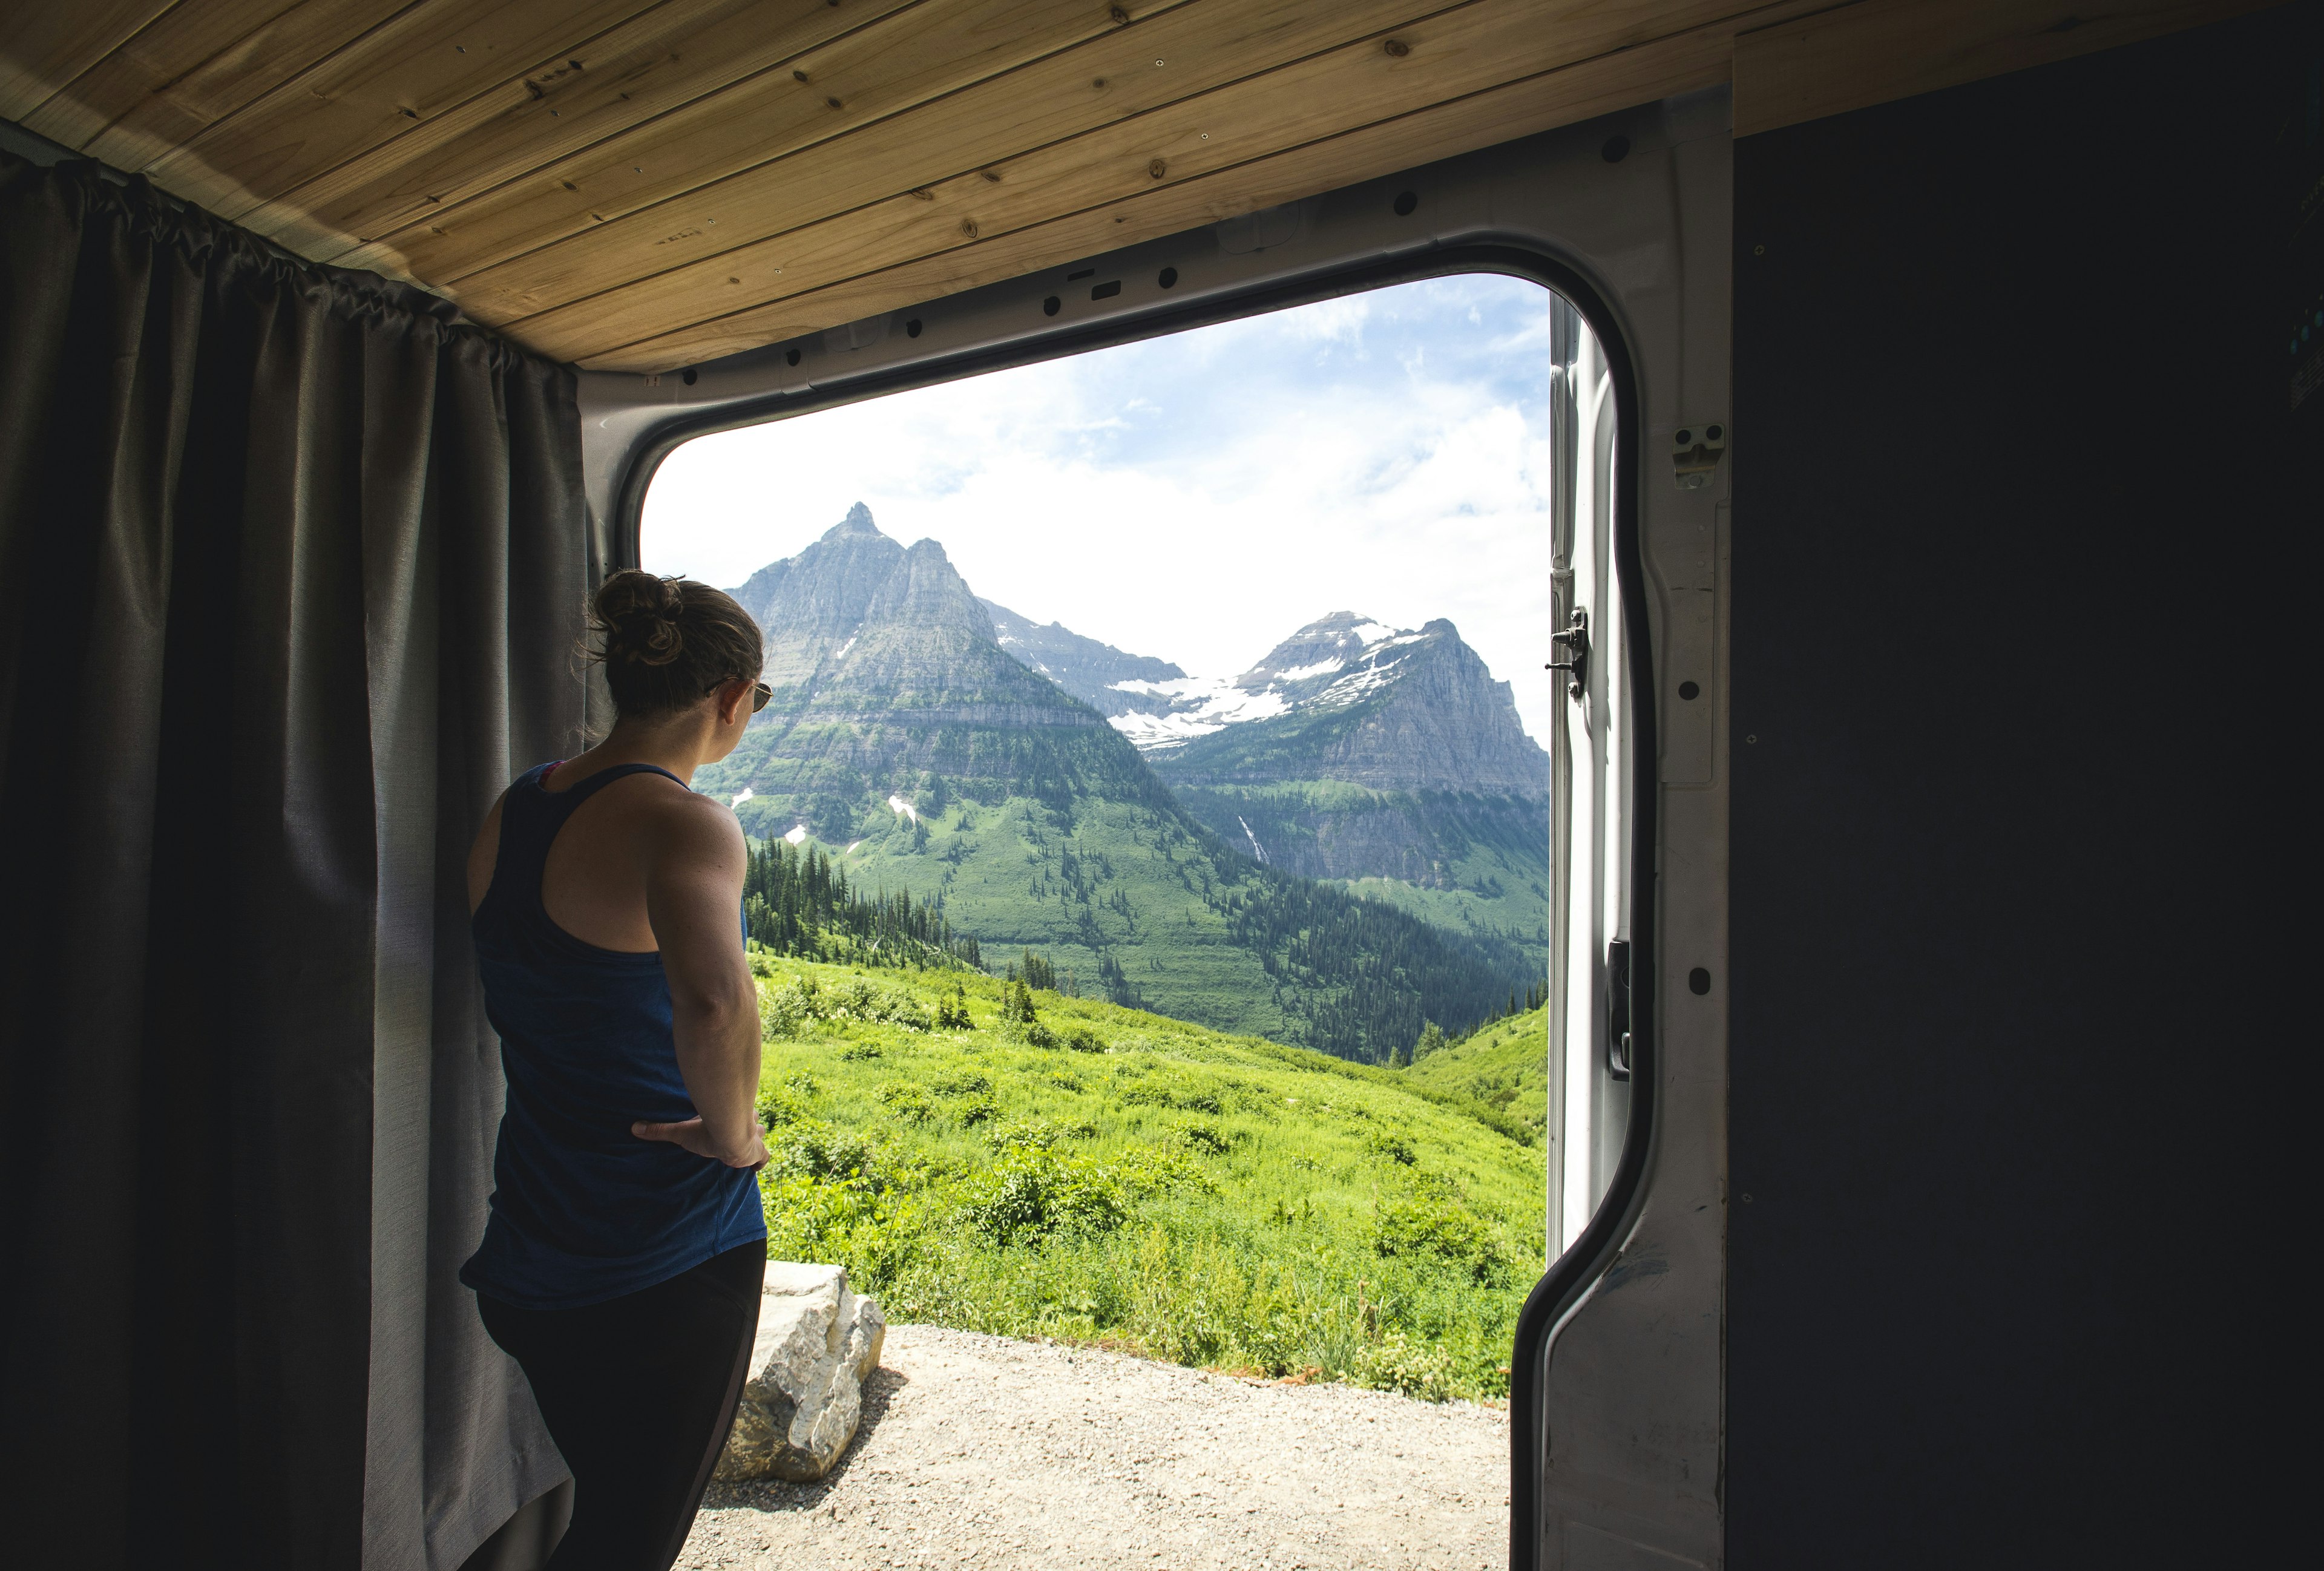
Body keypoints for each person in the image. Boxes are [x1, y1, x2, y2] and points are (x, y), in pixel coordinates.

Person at [461, 570, 775, 1570]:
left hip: (532, 1246)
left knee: (603, 1514)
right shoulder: (684, 821)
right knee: (628, 1544)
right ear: (729, 699)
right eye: (757, 701)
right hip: (663, 1258)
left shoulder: (519, 805)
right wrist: (733, 1139)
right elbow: (716, 1002)